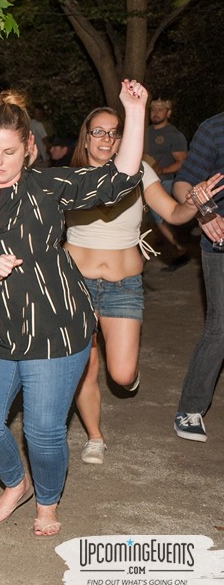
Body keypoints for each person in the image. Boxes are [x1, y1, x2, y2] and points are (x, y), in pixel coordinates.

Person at [0, 80, 147, 537]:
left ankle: (48, 501)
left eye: (9, 152)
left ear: (29, 147)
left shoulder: (50, 184)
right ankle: (16, 482)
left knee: (44, 431)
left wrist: (135, 111)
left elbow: (121, 178)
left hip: (55, 326)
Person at [65, 106, 221, 464]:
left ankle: (128, 376)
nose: (106, 139)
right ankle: (95, 437)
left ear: (123, 137)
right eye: (98, 131)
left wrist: (194, 203)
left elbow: (174, 214)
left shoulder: (138, 171)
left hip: (123, 286)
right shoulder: (69, 176)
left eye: (114, 132)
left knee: (121, 374)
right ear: (86, 137)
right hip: (76, 285)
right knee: (84, 367)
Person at [171, 111, 224, 442]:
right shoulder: (214, 128)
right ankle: (189, 410)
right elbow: (182, 184)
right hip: (221, 240)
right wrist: (204, 213)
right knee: (220, 327)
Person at [145, 98, 190, 268]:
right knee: (151, 221)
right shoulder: (145, 132)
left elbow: (182, 161)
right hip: (142, 182)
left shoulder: (173, 135)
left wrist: (162, 171)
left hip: (164, 183)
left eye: (160, 109)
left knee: (162, 219)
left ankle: (181, 249)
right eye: (153, 110)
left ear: (168, 113)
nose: (155, 113)